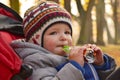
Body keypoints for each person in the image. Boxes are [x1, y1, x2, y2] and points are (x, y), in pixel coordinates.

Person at [11, 1, 116, 80]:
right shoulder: (37, 61)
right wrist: (75, 66)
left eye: (67, 32)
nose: (64, 37)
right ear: (35, 40)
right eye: (54, 33)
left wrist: (100, 64)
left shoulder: (67, 55)